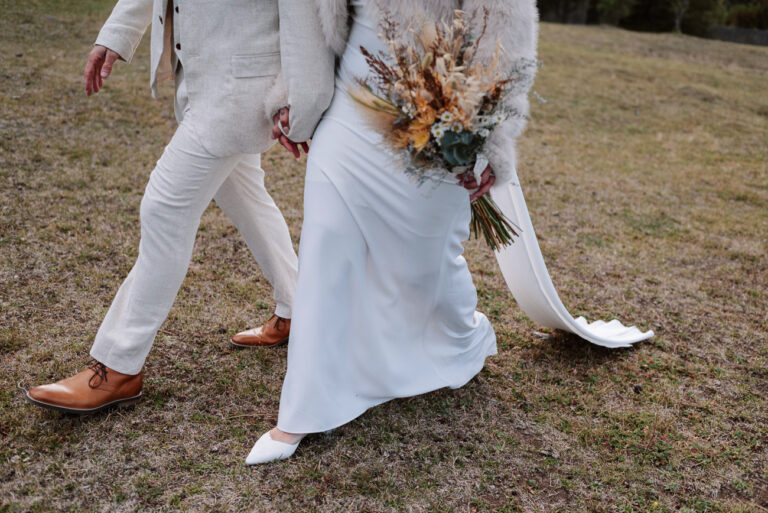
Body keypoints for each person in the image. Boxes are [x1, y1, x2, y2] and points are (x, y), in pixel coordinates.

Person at [244, 0, 539, 464]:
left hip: (434, 117)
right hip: (348, 109)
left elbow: (506, 38)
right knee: (327, 246)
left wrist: (489, 143)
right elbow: (308, 24)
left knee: (424, 267)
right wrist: (293, 96)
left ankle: (459, 338)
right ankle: (300, 413)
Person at [25, 0, 333, 414]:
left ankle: (118, 366)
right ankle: (297, 307)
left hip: (242, 93)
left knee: (164, 210)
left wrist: (304, 106)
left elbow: (306, 16)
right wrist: (115, 35)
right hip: (201, 84)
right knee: (245, 198)